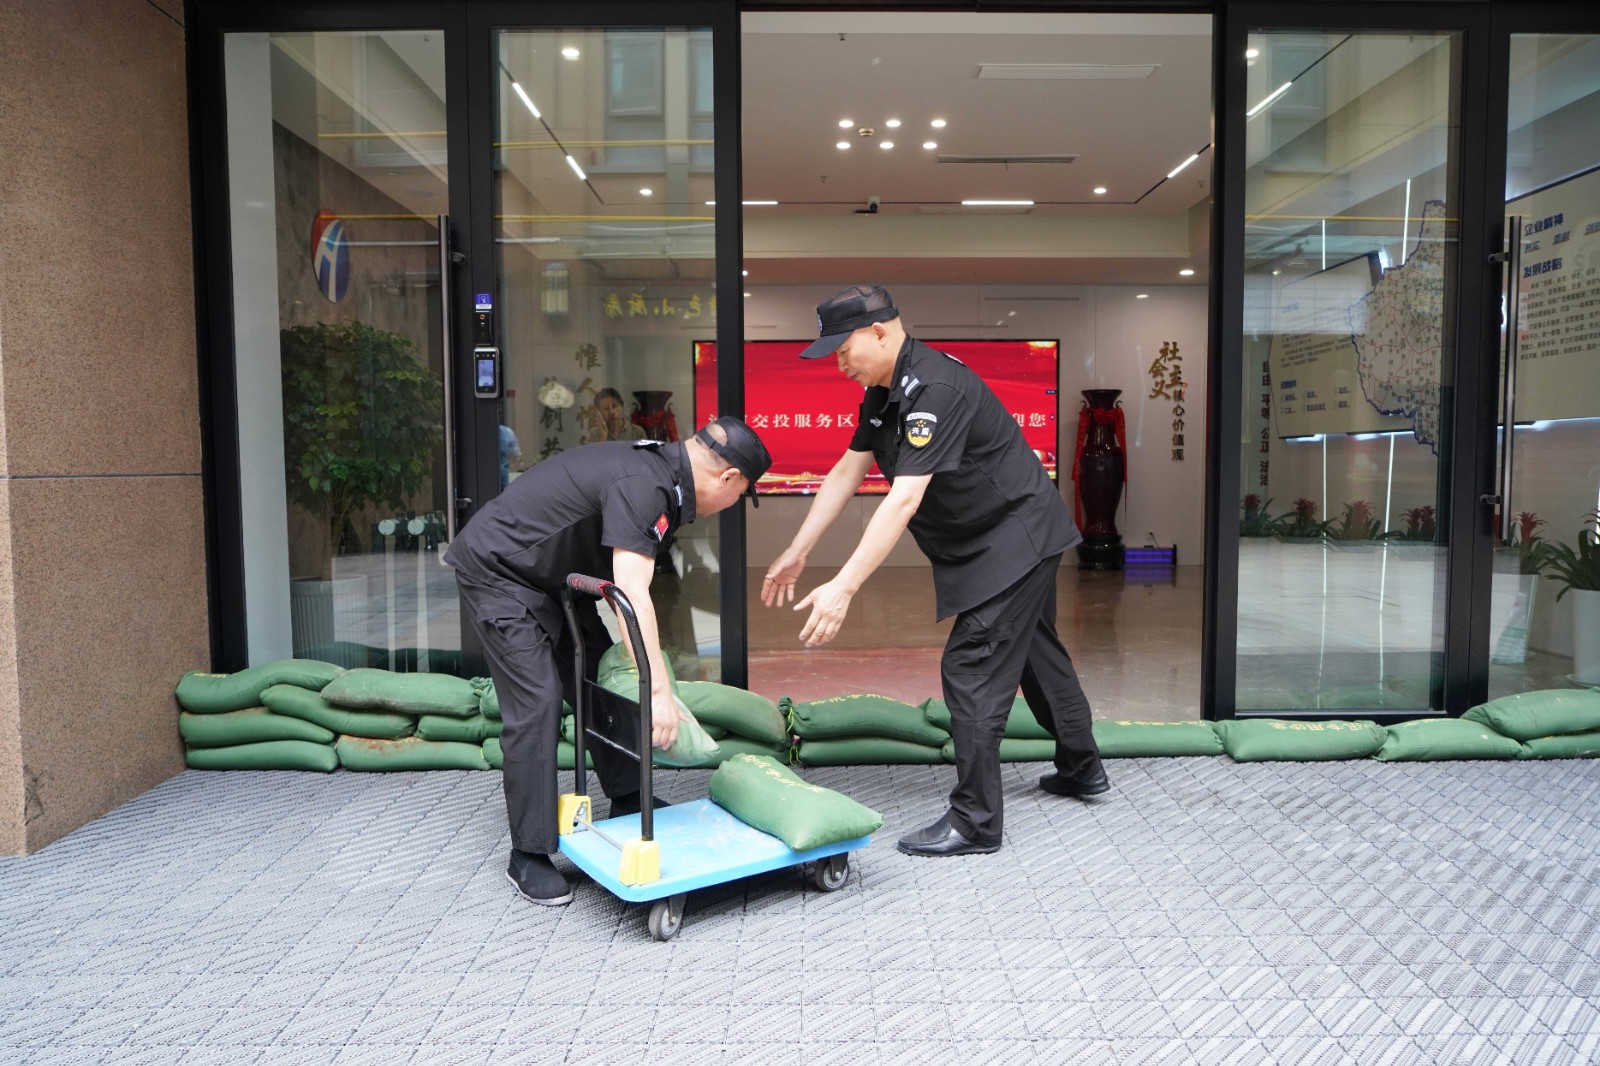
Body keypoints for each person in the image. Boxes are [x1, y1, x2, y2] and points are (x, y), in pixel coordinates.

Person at [762, 284, 1107, 858]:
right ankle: (1082, 767)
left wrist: (844, 587)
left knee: (971, 669)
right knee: (1034, 654)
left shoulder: (934, 389)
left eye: (842, 349)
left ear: (879, 332)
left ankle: (975, 821)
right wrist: (799, 550)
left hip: (1014, 538)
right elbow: (847, 470)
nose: (838, 363)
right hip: (995, 539)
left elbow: (902, 500)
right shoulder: (883, 391)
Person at [445, 417, 772, 904]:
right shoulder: (647, 485)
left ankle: (626, 794)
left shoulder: (663, 477)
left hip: (555, 576)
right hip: (500, 572)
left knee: (599, 675)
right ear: (728, 478)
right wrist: (659, 691)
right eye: (741, 494)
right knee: (538, 701)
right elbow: (632, 594)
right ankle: (528, 853)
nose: (732, 504)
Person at [581, 387, 647, 443]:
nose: (611, 412)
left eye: (614, 406)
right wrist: (602, 438)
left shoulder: (638, 432)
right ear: (599, 413)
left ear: (622, 407)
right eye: (606, 408)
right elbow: (593, 454)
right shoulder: (595, 434)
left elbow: (644, 454)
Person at [497, 423, 522, 490]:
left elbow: (516, 457)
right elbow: (516, 456)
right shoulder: (507, 432)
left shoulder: (507, 432)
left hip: (502, 478)